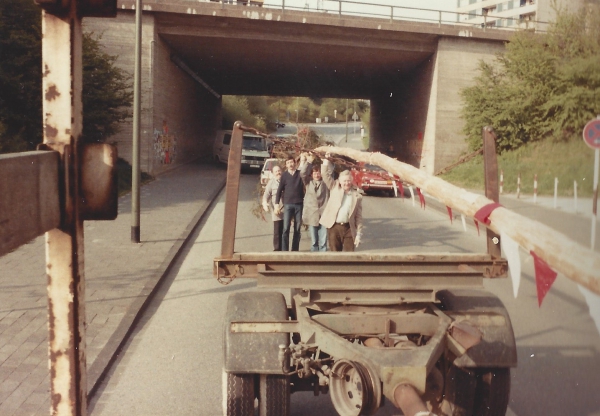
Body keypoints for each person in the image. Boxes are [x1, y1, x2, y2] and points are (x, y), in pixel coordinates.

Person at [319, 154, 363, 251]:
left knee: (349, 257)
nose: (346, 183)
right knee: (335, 256)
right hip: (334, 227)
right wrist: (326, 159)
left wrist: (359, 234)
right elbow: (324, 174)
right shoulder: (334, 187)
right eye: (344, 181)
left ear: (351, 181)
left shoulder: (357, 196)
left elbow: (358, 217)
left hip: (349, 229)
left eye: (348, 181)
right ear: (340, 181)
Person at [275, 155, 310, 251]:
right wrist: (276, 204)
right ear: (286, 165)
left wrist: (304, 160)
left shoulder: (300, 174)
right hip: (288, 204)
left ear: (295, 163)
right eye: (288, 163)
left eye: (292, 162)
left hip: (299, 204)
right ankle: (285, 250)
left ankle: (295, 250)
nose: (290, 164)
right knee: (286, 228)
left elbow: (305, 171)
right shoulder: (284, 175)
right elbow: (279, 190)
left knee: (297, 229)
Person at [302, 160, 330, 251]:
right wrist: (308, 161)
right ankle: (314, 258)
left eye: (318, 173)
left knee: (323, 241)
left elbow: (328, 172)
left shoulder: (326, 183)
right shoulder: (307, 183)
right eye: (314, 173)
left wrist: (326, 161)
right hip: (312, 214)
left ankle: (323, 259)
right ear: (311, 175)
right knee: (314, 241)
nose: (317, 175)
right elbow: (302, 173)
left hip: (324, 214)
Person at [262, 165, 284, 251]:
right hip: (276, 210)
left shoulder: (285, 180)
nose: (278, 172)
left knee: (285, 231)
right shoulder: (271, 182)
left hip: (286, 209)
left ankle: (284, 249)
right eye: (276, 171)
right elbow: (266, 194)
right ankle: (277, 249)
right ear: (273, 173)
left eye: (279, 170)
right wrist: (265, 203)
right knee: (277, 231)